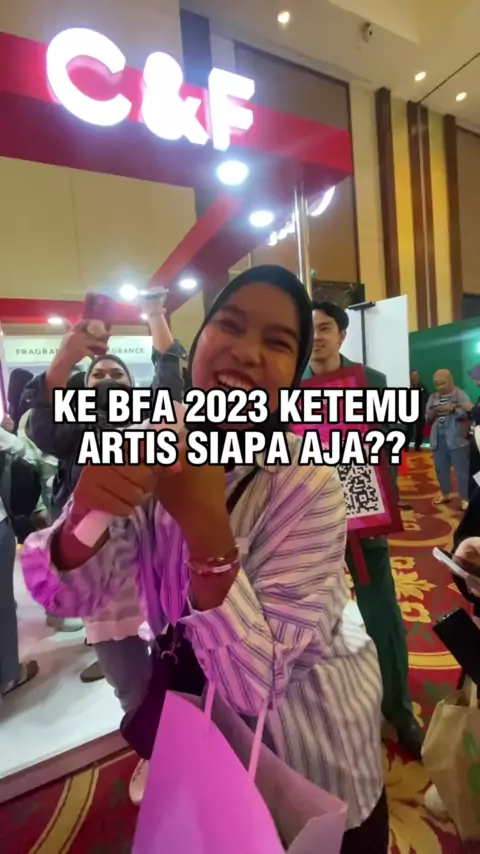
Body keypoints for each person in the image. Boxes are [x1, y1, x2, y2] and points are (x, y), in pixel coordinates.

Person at [22, 266, 388, 851]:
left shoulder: (307, 481)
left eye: (277, 343)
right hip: (198, 728)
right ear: (198, 342)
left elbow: (255, 687)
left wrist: (207, 532)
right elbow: (63, 594)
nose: (245, 352)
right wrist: (83, 520)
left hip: (311, 748)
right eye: (230, 326)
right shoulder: (150, 440)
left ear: (292, 377)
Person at [25, 300, 185, 803]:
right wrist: (65, 360)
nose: (110, 380)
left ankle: (185, 749)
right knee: (129, 683)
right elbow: (42, 424)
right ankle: (153, 752)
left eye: (118, 375)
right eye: (99, 375)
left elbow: (172, 382)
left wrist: (156, 317)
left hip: (161, 570)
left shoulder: (151, 421)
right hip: (104, 585)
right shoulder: (73, 430)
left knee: (179, 670)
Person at [303, 299, 424, 760]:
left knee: (383, 616)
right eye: (310, 329)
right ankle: (325, 709)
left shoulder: (371, 382)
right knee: (314, 620)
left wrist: (377, 511)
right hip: (312, 523)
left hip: (364, 517)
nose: (317, 336)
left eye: (325, 327)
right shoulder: (289, 387)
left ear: (342, 334)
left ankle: (398, 709)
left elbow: (387, 450)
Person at [426, 369, 472, 511]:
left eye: (443, 383)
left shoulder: (460, 394)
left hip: (457, 439)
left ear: (450, 380)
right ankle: (445, 493)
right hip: (438, 439)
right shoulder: (433, 397)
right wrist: (434, 411)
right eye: (437, 384)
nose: (440, 387)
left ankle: (465, 498)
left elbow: (469, 413)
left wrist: (452, 410)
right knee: (440, 469)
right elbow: (427, 417)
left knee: (462, 471)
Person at [406, 370, 428, 451]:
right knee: (409, 430)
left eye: (416, 375)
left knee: (420, 429)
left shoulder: (423, 388)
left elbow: (426, 399)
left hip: (420, 412)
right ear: (410, 377)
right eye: (413, 375)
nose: (415, 377)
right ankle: (406, 445)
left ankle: (418, 445)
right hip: (409, 412)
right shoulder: (407, 386)